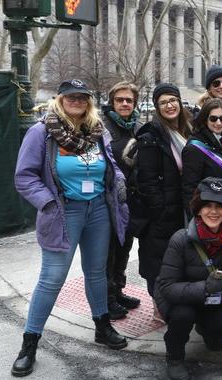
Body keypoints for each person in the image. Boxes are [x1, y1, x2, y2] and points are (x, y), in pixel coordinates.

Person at [13, 79, 129, 377]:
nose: (76, 101)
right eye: (71, 96)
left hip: (98, 211)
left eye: (82, 97)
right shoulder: (42, 132)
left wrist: (117, 181)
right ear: (60, 99)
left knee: (96, 272)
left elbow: (110, 163)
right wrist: (48, 203)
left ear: (88, 101)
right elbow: (24, 176)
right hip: (64, 212)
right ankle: (30, 343)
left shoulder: (96, 130)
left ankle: (102, 326)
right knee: (52, 278)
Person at [154, 177, 222, 380]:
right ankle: (175, 357)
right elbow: (167, 287)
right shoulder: (180, 238)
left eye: (219, 206)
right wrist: (205, 287)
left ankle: (206, 329)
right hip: (179, 299)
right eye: (207, 206)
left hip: (213, 298)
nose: (213, 212)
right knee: (182, 315)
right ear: (198, 208)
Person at [134, 83, 192, 305]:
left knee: (180, 258)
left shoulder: (188, 130)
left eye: (173, 100)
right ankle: (159, 302)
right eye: (163, 102)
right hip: (162, 212)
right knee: (158, 258)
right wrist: (160, 208)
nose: (169, 106)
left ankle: (177, 300)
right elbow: (147, 180)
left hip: (183, 206)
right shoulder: (151, 136)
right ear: (157, 107)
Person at [101, 81, 142, 320]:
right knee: (108, 251)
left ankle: (118, 290)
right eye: (120, 100)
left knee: (125, 247)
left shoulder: (137, 126)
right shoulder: (101, 127)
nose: (125, 103)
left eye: (129, 100)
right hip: (107, 199)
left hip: (130, 199)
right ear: (112, 102)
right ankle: (106, 299)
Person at [182, 98, 222, 217]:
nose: (218, 123)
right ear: (204, 119)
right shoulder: (194, 148)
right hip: (208, 214)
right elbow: (190, 189)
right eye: (213, 118)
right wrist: (195, 219)